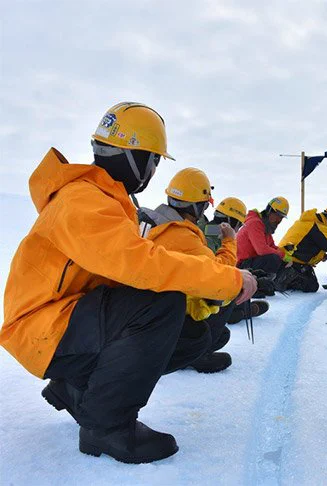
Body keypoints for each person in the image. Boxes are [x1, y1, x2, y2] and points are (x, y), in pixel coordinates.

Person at [0, 102, 257, 464]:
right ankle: (106, 425)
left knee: (182, 329)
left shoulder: (104, 201)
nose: (152, 171)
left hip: (60, 322)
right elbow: (142, 264)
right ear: (137, 158)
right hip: (42, 328)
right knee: (160, 305)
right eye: (153, 160)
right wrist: (230, 280)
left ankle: (78, 390)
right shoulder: (84, 201)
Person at [138, 169, 251, 373]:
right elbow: (217, 273)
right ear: (198, 206)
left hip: (142, 309)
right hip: (161, 315)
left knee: (222, 334)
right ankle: (195, 355)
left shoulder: (149, 220)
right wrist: (230, 241)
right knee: (225, 294)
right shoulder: (182, 236)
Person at [199, 196, 271, 323]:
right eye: (239, 225)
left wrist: (247, 273)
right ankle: (236, 311)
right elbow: (215, 272)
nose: (238, 230)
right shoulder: (213, 239)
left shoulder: (209, 231)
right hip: (201, 296)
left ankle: (238, 309)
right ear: (230, 222)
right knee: (232, 292)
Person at [277, 205, 327, 292]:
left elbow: (308, 245)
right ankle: (282, 278)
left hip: (285, 257)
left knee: (312, 285)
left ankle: (283, 276)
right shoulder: (317, 227)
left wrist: (321, 257)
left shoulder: (312, 223)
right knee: (311, 286)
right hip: (289, 260)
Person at [236, 197, 291, 275]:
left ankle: (272, 284)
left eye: (281, 217)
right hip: (242, 266)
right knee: (273, 259)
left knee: (279, 261)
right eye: (277, 215)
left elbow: (272, 246)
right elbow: (262, 250)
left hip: (251, 263)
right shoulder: (255, 223)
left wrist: (287, 257)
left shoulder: (265, 227)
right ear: (269, 211)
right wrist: (282, 255)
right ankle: (263, 284)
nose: (278, 220)